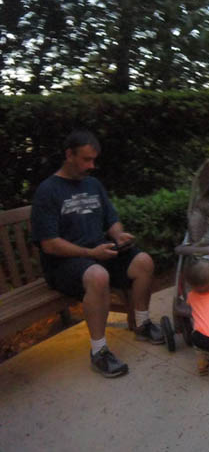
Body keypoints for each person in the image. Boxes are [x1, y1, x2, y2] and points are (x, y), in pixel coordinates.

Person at [30, 130, 164, 378]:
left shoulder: (93, 184)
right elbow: (49, 244)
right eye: (86, 159)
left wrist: (119, 236)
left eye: (94, 160)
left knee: (143, 261)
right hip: (64, 264)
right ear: (69, 155)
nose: (91, 166)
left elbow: (112, 221)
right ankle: (99, 351)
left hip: (98, 253)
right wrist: (90, 252)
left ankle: (142, 323)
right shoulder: (48, 191)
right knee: (98, 276)